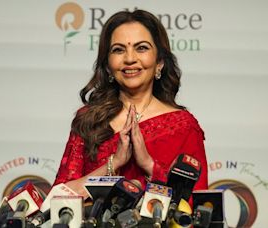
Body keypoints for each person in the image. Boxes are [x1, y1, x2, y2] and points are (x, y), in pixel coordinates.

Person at [52, 9, 208, 200]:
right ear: (108, 65)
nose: (129, 59)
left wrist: (149, 165)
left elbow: (195, 208)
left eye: (141, 48)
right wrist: (115, 162)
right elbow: (58, 200)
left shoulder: (184, 127)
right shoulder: (88, 119)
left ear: (159, 62)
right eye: (118, 50)